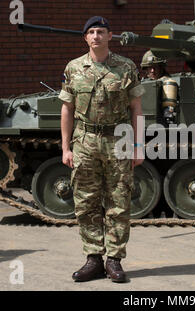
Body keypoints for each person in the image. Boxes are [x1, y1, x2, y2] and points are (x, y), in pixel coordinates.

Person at [58, 16, 145, 283]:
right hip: (84, 142)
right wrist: (66, 147)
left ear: (110, 36)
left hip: (118, 140)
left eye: (101, 32)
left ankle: (115, 260)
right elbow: (67, 109)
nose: (96, 36)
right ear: (85, 38)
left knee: (119, 203)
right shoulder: (74, 68)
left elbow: (137, 109)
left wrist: (139, 146)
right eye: (92, 32)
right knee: (86, 202)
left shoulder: (126, 67)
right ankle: (93, 258)